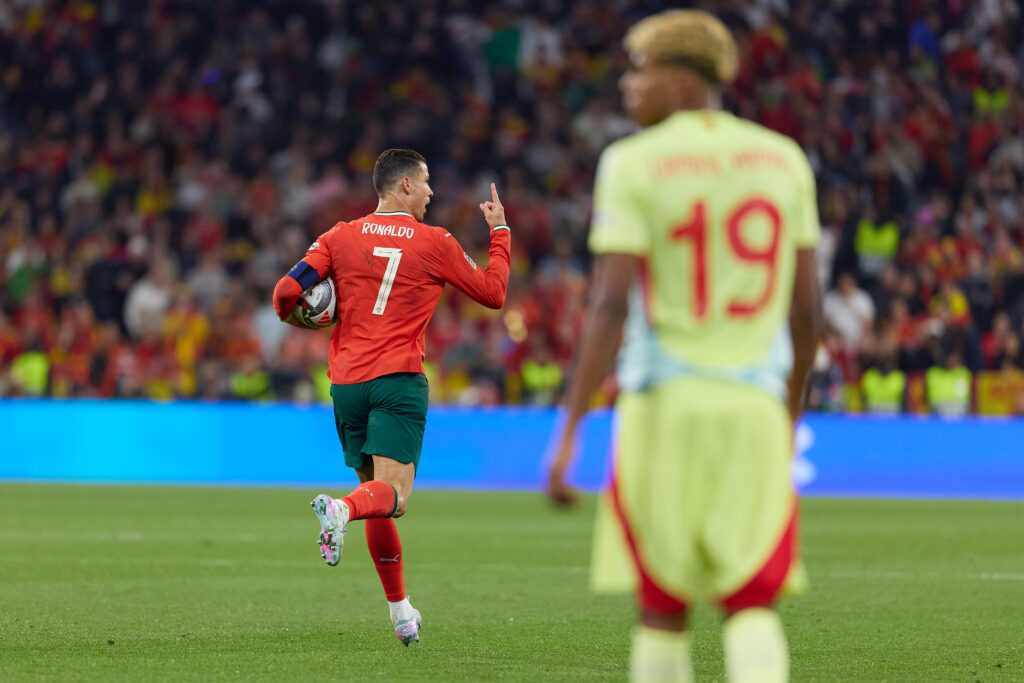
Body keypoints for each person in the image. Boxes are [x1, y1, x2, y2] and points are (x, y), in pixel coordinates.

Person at [546, 10, 822, 682]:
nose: (627, 87)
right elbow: (808, 312)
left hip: (661, 406)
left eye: (640, 71)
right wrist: (787, 413)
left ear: (680, 76)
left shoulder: (633, 162)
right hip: (754, 406)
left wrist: (571, 425)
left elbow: (610, 304)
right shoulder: (783, 159)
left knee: (663, 603)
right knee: (754, 600)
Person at [272, 149, 511, 645]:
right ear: (403, 186)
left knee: (374, 498)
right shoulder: (435, 241)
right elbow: (493, 293)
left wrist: (307, 318)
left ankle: (401, 612)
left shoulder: (338, 236)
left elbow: (285, 293)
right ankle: (338, 511)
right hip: (398, 379)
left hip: (347, 384)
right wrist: (500, 233)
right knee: (393, 498)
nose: (431, 192)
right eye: (425, 183)